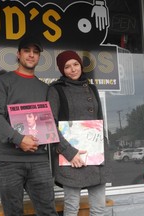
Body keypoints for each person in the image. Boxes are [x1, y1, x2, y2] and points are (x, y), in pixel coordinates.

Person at [0, 36, 58, 216]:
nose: (31, 55)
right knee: (13, 213)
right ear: (18, 54)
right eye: (27, 51)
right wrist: (18, 138)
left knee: (48, 211)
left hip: (38, 159)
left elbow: (50, 125)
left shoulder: (46, 89)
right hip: (8, 160)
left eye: (35, 52)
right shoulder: (3, 82)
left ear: (39, 57)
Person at [47, 50, 110, 216]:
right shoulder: (56, 90)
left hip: (94, 155)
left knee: (98, 208)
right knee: (71, 208)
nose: (73, 69)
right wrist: (69, 152)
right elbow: (50, 125)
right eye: (67, 67)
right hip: (70, 157)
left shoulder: (92, 88)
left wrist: (102, 150)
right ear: (62, 70)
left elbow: (99, 120)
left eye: (75, 64)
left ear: (81, 66)